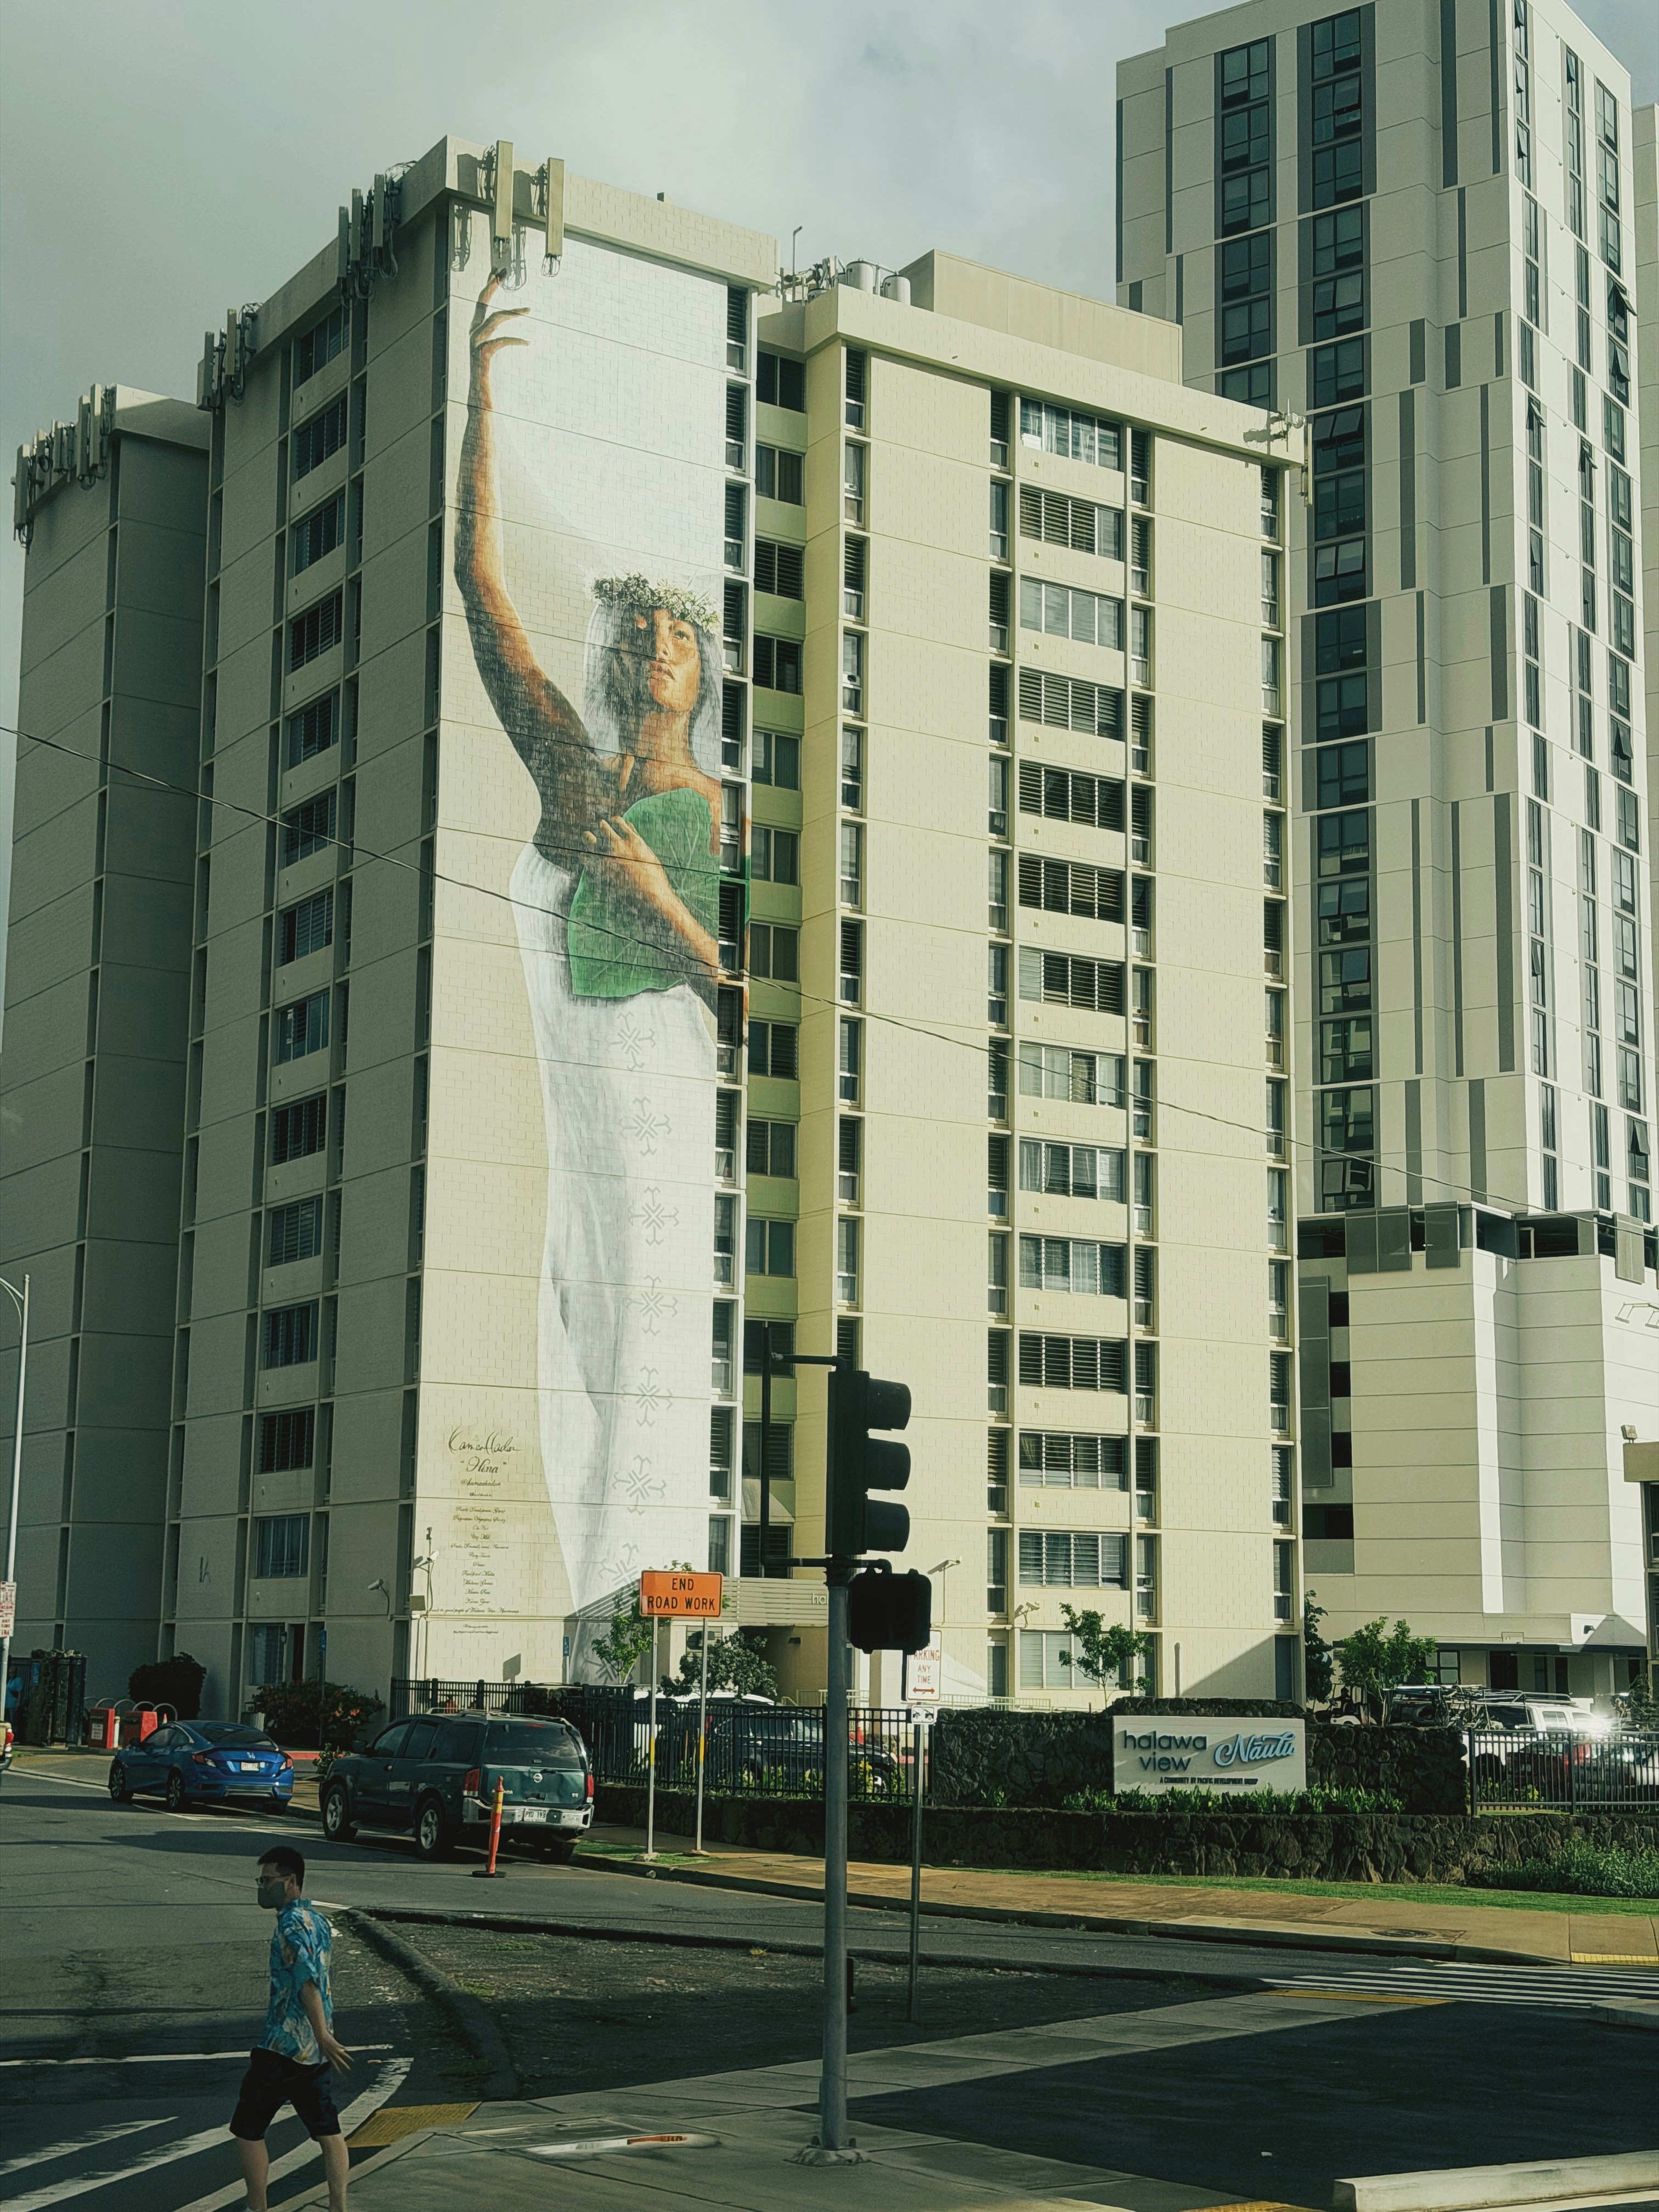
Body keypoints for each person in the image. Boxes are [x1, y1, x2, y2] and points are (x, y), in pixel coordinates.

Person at [454, 270, 724, 1618]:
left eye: (682, 634)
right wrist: (481, 403)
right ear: (616, 653)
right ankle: (621, 1594)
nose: (660, 647)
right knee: (615, 1313)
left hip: (690, 1090)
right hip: (611, 1075)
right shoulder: (583, 772)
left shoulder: (725, 804)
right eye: (645, 630)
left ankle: (658, 1593)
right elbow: (484, 585)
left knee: (675, 1316)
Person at [230, 1844, 353, 2211]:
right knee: (328, 2132)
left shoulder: (290, 1924)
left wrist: (320, 2032)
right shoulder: (320, 1921)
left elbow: (307, 1982)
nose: (261, 1886)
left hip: (283, 2047)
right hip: (314, 2054)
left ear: (291, 1882)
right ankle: (339, 2208)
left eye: (268, 1880)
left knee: (247, 2130)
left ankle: (258, 2208)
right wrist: (323, 2037)